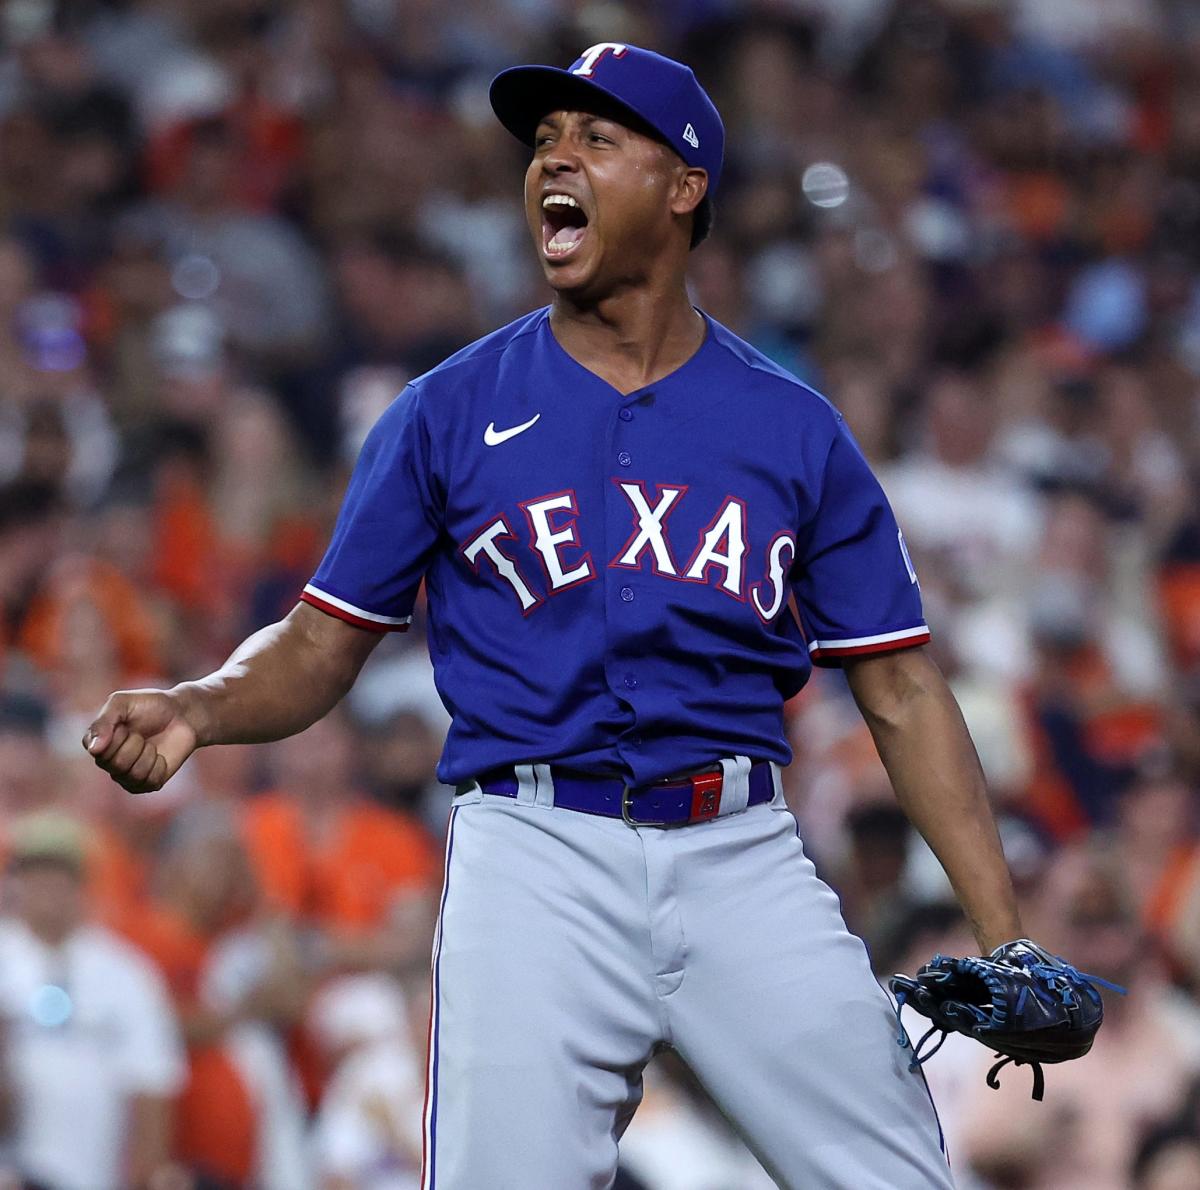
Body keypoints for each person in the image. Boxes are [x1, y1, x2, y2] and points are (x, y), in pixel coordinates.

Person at [85, 43, 1052, 1188]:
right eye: (544, 143)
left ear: (684, 186)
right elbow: (317, 641)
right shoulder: (443, 411)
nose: (556, 159)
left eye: (597, 139)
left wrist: (1005, 932)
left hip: (740, 847)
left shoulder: (794, 429)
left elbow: (898, 684)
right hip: (531, 851)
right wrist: (203, 702)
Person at [0, 812, 185, 1190]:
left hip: (95, 1171)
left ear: (82, 883)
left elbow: (153, 1083)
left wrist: (145, 1174)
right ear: (16, 882)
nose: (48, 887)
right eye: (36, 874)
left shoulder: (125, 971)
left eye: (60, 875)